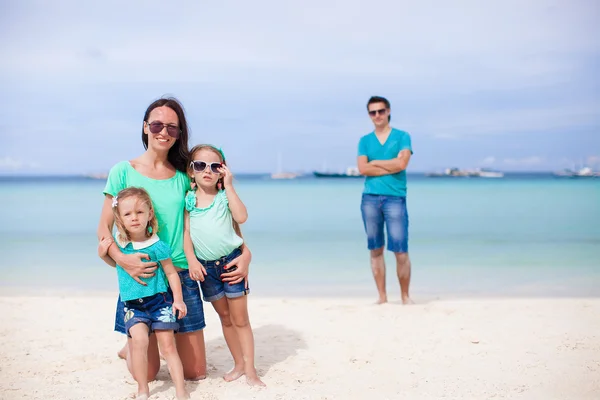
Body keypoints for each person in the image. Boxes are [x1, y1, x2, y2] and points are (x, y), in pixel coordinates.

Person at [96, 97, 253, 382]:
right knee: (149, 373)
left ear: (180, 134)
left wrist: (246, 253)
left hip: (181, 276)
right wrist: (123, 260)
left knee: (196, 373)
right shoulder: (123, 171)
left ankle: (152, 333)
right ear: (145, 127)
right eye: (157, 124)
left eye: (172, 127)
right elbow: (103, 229)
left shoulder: (185, 175)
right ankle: (134, 342)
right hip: (142, 276)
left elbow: (215, 219)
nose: (163, 132)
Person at [183, 144, 266, 387]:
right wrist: (191, 260)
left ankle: (251, 370)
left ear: (222, 171)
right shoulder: (188, 200)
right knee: (225, 318)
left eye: (214, 166)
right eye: (200, 165)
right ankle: (238, 363)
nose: (206, 170)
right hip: (207, 269)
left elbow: (241, 217)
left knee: (241, 319)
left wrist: (229, 186)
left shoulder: (223, 197)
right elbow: (186, 234)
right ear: (192, 171)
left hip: (231, 263)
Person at [98, 187, 189, 400]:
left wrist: (178, 300)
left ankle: (181, 392)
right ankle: (142, 389)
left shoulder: (158, 246)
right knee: (139, 342)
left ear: (149, 214)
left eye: (140, 212)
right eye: (128, 214)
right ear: (119, 218)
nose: (135, 218)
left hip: (160, 303)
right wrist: (103, 255)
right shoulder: (120, 245)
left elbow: (171, 274)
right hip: (132, 305)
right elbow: (115, 265)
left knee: (168, 347)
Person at [356, 96, 414, 305]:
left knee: (400, 249)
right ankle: (382, 297)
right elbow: (363, 168)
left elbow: (402, 164)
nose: (377, 116)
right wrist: (391, 163)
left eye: (381, 111)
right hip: (370, 199)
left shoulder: (402, 136)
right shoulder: (365, 141)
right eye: (373, 112)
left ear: (388, 111)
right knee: (375, 249)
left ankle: (405, 297)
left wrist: (376, 163)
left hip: (395, 198)